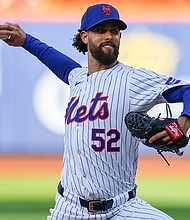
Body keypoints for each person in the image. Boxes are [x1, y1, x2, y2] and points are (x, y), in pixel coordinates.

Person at [0, 3, 190, 220]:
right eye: (101, 30)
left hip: (122, 207)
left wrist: (184, 121)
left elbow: (188, 90)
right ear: (84, 37)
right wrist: (26, 41)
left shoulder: (133, 80)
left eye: (114, 31)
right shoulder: (77, 78)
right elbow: (56, 60)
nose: (109, 35)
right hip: (69, 208)